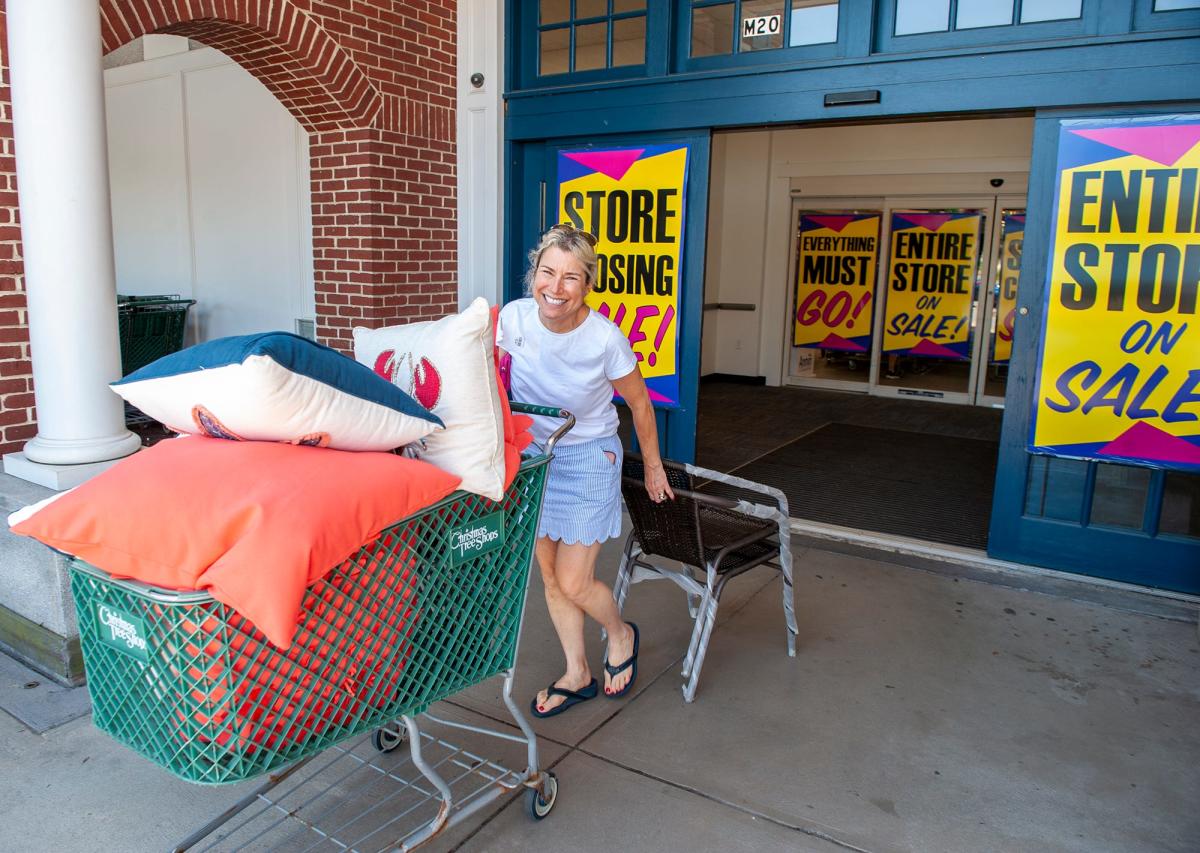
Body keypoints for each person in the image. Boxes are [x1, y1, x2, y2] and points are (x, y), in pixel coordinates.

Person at [498, 223, 674, 718]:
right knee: (551, 579)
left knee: (575, 581)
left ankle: (619, 634)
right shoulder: (512, 319)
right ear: (534, 273)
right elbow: (492, 375)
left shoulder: (604, 340)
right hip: (534, 457)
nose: (555, 288)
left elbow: (639, 405)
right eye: (547, 272)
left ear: (587, 284)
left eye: (571, 277)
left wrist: (655, 469)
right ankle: (576, 673)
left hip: (589, 457)